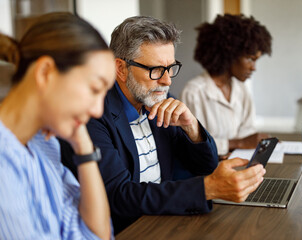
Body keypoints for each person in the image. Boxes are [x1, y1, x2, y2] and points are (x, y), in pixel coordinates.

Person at [61, 16, 266, 234]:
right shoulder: (94, 115)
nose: (167, 80)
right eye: (156, 69)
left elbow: (207, 166)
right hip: (129, 231)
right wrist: (206, 188)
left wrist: (192, 127)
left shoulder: (159, 102)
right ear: (120, 69)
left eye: (170, 68)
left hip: (164, 221)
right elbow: (118, 196)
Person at [0, 12, 116, 239]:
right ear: (45, 72)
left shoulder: (45, 146)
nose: (98, 111)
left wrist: (84, 149)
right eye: (94, 89)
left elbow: (98, 234)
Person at [181, 14, 272, 157]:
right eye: (249, 59)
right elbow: (194, 143)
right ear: (230, 53)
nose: (253, 67)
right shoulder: (194, 91)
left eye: (256, 61)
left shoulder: (241, 88)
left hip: (237, 161)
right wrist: (238, 143)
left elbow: (247, 131)